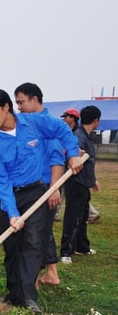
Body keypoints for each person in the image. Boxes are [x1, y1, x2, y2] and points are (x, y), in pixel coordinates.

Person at [0, 89, 82, 315]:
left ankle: (27, 297)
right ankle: (14, 292)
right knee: (12, 247)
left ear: (6, 107)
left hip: (36, 193)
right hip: (8, 197)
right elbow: (0, 180)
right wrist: (12, 212)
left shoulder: (35, 123)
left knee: (34, 243)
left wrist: (72, 154)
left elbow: (62, 129)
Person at [14, 83, 64, 287]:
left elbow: (56, 159)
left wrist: (53, 189)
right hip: (31, 186)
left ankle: (32, 280)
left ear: (34, 100)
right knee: (42, 231)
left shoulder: (46, 123)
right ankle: (51, 272)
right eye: (17, 103)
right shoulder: (28, 124)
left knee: (35, 235)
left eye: (21, 102)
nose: (19, 107)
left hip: (43, 187)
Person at [59, 105, 101, 264]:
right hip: (75, 183)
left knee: (83, 217)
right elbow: (72, 153)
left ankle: (81, 246)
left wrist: (93, 180)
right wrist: (75, 152)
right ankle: (65, 251)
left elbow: (88, 163)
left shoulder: (88, 136)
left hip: (84, 184)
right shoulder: (79, 136)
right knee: (72, 217)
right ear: (96, 120)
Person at [58, 108, 101, 224]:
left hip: (79, 179)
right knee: (74, 216)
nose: (64, 119)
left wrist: (93, 179)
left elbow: (85, 158)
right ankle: (56, 213)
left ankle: (92, 214)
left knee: (78, 216)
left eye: (66, 116)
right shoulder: (75, 134)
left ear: (73, 118)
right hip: (73, 177)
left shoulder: (80, 135)